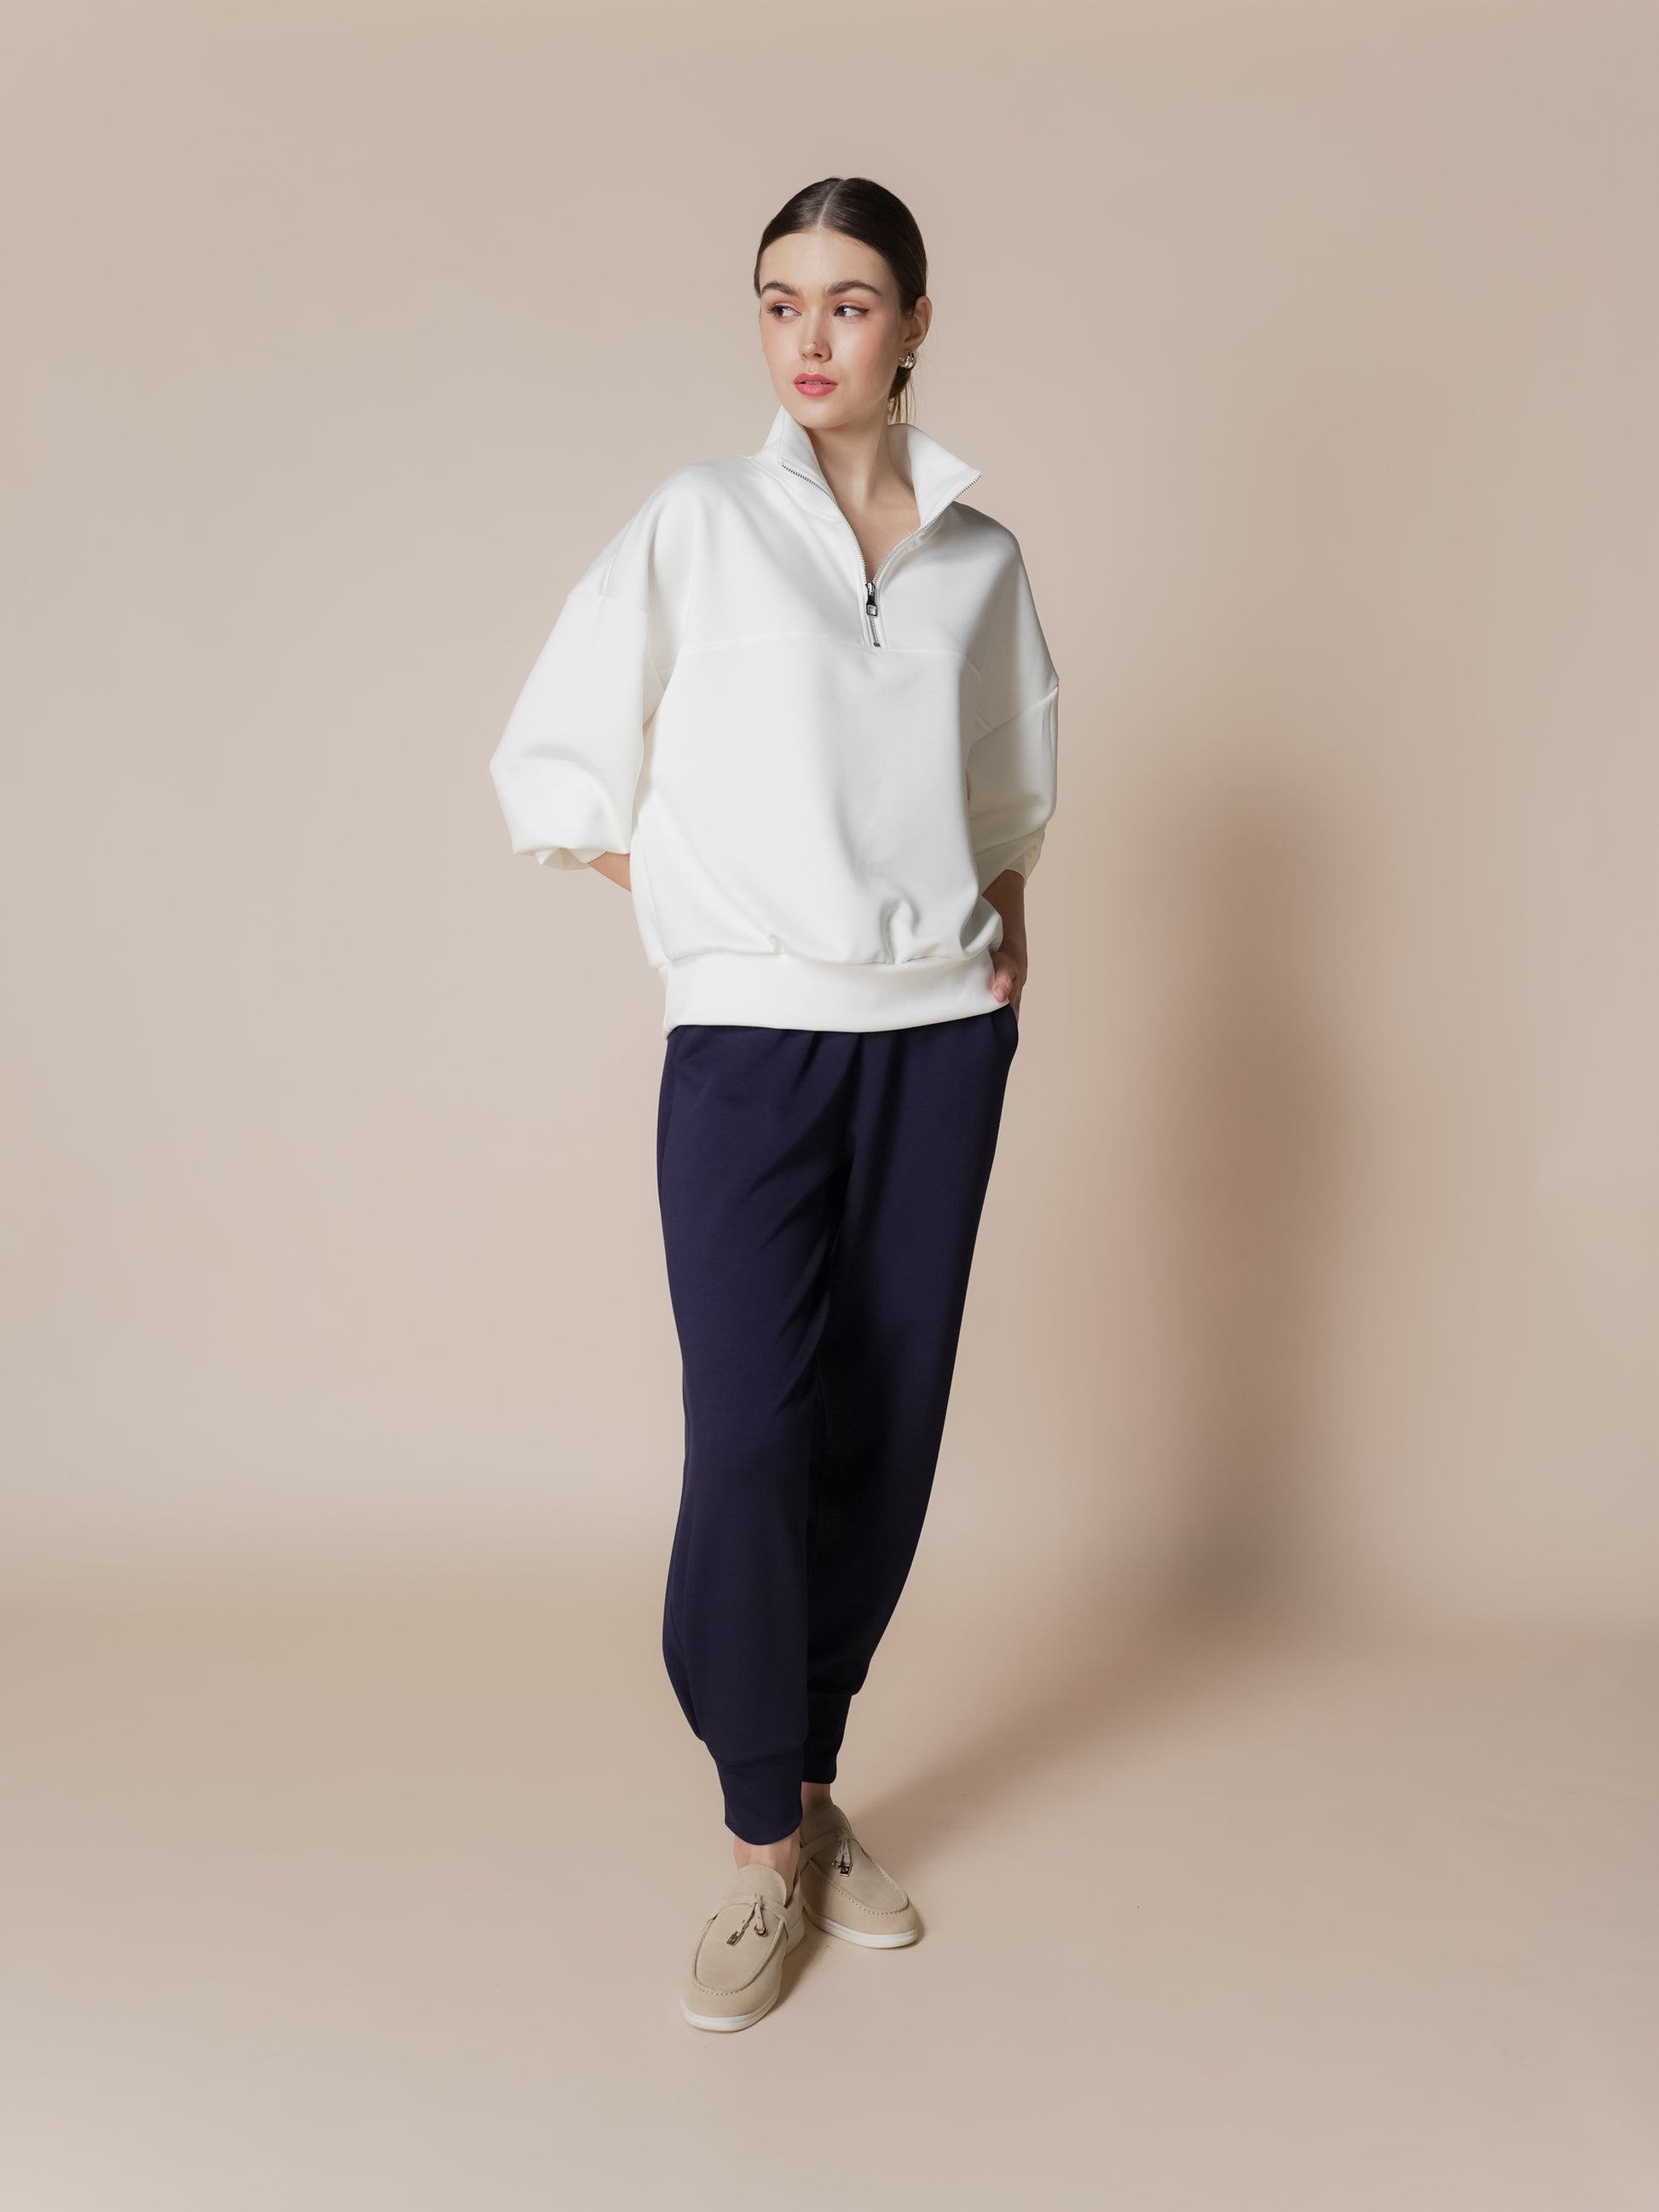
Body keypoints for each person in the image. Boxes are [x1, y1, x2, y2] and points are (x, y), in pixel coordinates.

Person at [488, 176, 1060, 2031]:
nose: (809, 338)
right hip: (749, 1040)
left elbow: (1005, 785)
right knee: (749, 1429)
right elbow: (556, 763)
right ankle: (758, 1843)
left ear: (913, 324)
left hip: (939, 1042)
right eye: (777, 301)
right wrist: (696, 901)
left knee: (883, 1430)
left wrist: (1001, 921)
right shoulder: (698, 522)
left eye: (849, 301)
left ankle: (808, 1791)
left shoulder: (976, 555)